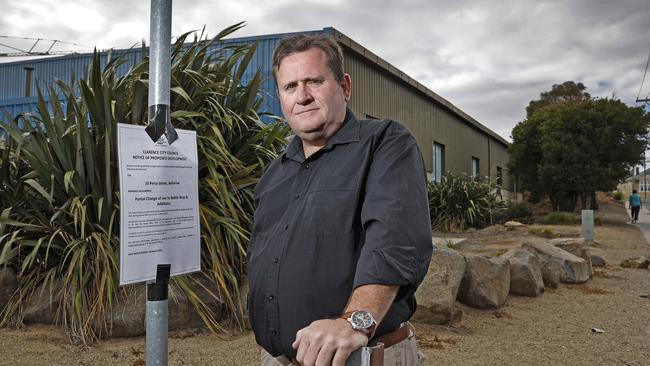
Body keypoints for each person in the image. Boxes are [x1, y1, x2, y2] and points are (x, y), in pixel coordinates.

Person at [246, 34, 433, 366]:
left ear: (344, 86)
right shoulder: (274, 173)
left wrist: (353, 323)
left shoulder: (384, 144)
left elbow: (393, 243)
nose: (302, 96)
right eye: (290, 87)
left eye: (314, 82)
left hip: (357, 356)